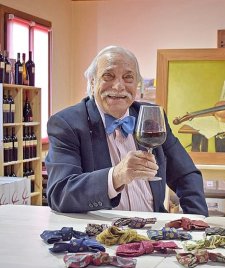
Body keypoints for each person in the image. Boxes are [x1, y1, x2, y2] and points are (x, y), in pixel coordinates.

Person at [45, 45, 208, 216]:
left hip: (154, 233)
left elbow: (186, 174)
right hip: (100, 234)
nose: (118, 86)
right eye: (108, 76)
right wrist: (116, 175)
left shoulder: (151, 117)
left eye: (128, 77)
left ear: (137, 84)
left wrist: (197, 222)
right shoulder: (66, 124)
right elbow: (60, 193)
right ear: (92, 82)